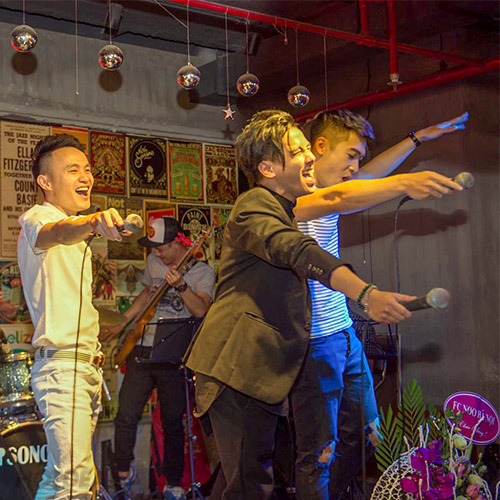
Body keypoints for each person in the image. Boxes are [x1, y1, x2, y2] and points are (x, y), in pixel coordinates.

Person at [183, 108, 452, 500]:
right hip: (250, 361)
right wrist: (365, 292)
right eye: (299, 151)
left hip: (317, 342)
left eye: (307, 148)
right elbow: (301, 246)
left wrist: (414, 140)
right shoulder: (260, 205)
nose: (308, 156)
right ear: (269, 168)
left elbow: (362, 180)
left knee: (356, 441)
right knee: (265, 476)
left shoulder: (293, 198)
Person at [292, 110, 468, 499]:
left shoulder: (336, 184)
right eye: (350, 155)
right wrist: (404, 183)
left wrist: (416, 138)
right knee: (319, 453)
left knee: (369, 437)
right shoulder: (297, 195)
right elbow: (340, 197)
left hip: (344, 335)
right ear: (320, 147)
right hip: (314, 343)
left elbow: (368, 177)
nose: (355, 167)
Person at [17, 133, 126, 500]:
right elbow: (58, 233)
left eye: (88, 169)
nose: (85, 177)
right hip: (63, 369)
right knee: (71, 482)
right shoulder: (39, 217)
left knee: (76, 482)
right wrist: (93, 222)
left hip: (84, 369)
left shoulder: (77, 229)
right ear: (45, 182)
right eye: (73, 170)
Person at [101, 216, 215, 500]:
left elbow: (201, 310)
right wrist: (123, 323)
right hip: (143, 347)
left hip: (173, 355)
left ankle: (173, 483)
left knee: (172, 422)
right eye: (154, 249)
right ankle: (124, 474)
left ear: (177, 243)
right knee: (126, 414)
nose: (157, 254)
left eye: (161, 248)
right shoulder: (154, 262)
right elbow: (147, 294)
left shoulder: (202, 272)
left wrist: (182, 286)